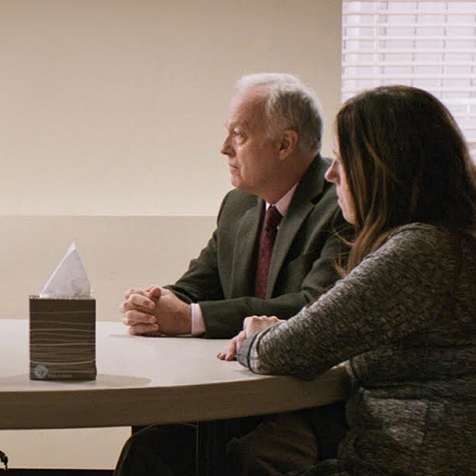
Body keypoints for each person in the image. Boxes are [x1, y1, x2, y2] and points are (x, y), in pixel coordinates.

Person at [221, 85, 476, 475]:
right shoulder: (474, 244)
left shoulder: (423, 253)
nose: (331, 173)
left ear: (382, 169)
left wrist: (258, 335)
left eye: (343, 160)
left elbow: (282, 352)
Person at [115, 73, 352, 475]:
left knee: (218, 455)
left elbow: (315, 308)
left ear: (284, 144)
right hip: (235, 389)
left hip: (302, 404)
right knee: (149, 445)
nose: (224, 147)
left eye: (238, 135)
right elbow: (198, 284)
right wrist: (154, 303)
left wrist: (190, 317)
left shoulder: (342, 201)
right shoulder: (239, 204)